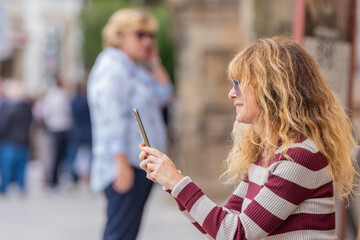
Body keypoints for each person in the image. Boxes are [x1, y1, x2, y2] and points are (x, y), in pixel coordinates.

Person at [139, 36, 358, 239]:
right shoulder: (268, 152)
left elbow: (236, 233)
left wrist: (177, 182)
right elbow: (222, 224)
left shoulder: (299, 155)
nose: (231, 94)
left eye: (238, 84)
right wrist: (170, 181)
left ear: (271, 90)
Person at [87, 8, 173, 240]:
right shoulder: (112, 69)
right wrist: (120, 163)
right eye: (140, 34)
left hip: (139, 163)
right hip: (125, 163)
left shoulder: (134, 69)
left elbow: (164, 94)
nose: (147, 41)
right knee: (120, 231)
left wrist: (154, 62)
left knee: (127, 231)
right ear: (119, 35)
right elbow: (111, 120)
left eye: (151, 36)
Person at [0, 80, 32, 195]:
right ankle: (21, 187)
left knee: (7, 167)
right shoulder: (26, 107)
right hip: (23, 141)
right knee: (21, 167)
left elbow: (3, 125)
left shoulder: (7, 108)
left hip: (9, 142)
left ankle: (4, 187)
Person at [43, 78, 72, 188]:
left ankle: (56, 178)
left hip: (59, 127)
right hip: (56, 127)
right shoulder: (56, 95)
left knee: (58, 154)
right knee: (55, 155)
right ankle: (53, 180)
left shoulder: (59, 94)